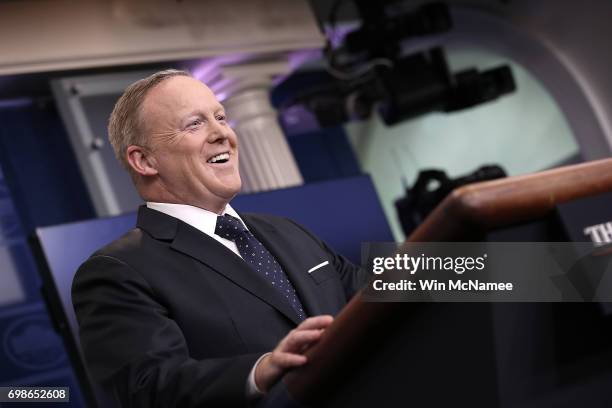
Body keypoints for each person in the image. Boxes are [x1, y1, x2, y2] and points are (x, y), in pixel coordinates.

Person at [72, 69, 365, 407]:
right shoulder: (116, 271)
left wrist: (439, 262)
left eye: (221, 117)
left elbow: (374, 287)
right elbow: (150, 387)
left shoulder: (284, 230)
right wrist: (259, 371)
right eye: (194, 124)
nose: (222, 133)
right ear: (144, 160)